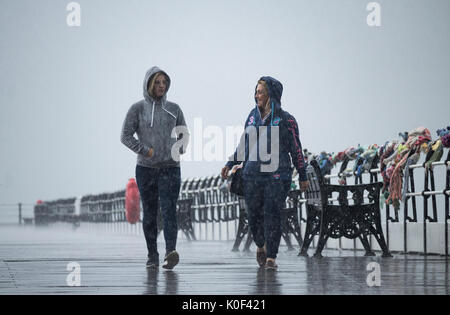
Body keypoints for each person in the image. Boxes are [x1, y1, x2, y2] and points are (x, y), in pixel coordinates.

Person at [221, 76, 309, 270]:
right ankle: (260, 245)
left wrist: (302, 175)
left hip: (278, 176)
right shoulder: (252, 117)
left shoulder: (287, 120)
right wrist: (230, 163)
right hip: (251, 175)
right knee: (253, 215)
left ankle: (271, 257)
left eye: (260, 91)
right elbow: (244, 144)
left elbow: (296, 149)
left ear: (271, 93)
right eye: (256, 91)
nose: (256, 95)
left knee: (273, 214)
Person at [121, 66, 189, 269]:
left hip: (170, 168)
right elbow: (125, 136)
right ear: (149, 84)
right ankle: (152, 255)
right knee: (150, 212)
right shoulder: (137, 109)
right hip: (146, 169)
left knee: (169, 211)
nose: (161, 86)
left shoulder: (174, 109)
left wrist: (179, 149)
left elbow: (184, 133)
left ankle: (171, 252)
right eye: (157, 82)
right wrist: (144, 150)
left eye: (164, 82)